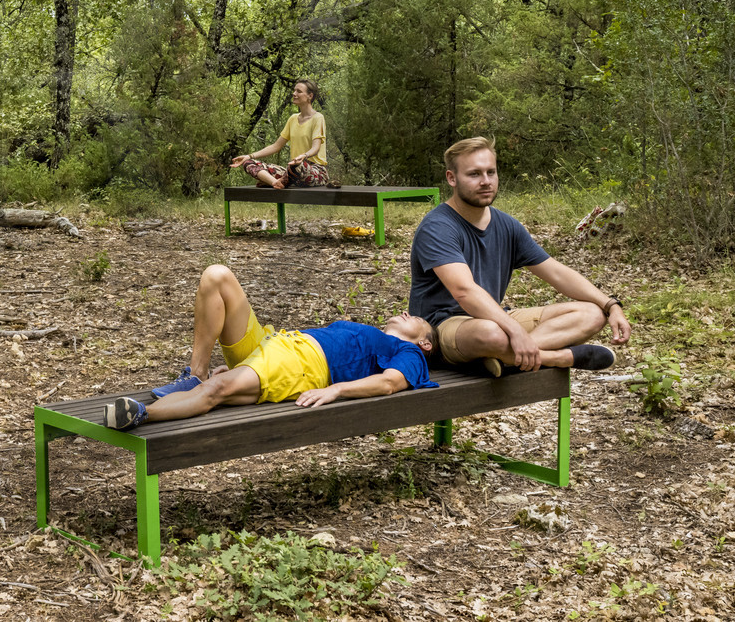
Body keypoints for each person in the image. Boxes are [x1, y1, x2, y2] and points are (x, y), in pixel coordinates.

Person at [104, 264, 437, 430]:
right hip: (275, 342)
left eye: (416, 318)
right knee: (217, 275)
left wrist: (336, 390)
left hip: (302, 365)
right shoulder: (377, 335)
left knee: (218, 390)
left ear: (424, 343)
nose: (407, 312)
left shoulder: (409, 354)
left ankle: (141, 414)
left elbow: (389, 383)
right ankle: (195, 373)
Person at [408, 136, 630, 377]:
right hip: (441, 329)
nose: (485, 181)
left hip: (493, 318)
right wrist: (514, 330)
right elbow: (464, 291)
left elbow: (556, 273)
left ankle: (503, 358)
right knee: (491, 332)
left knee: (592, 314)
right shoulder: (438, 226)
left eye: (491, 172)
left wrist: (610, 305)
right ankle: (556, 357)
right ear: (452, 178)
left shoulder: (507, 225)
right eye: (474, 174)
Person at [230, 78, 330, 190]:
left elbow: (316, 148)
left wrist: (304, 156)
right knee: (249, 163)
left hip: (315, 172)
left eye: (299, 91)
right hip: (292, 171)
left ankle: (279, 180)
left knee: (295, 166)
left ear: (310, 96)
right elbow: (276, 146)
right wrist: (249, 156)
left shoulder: (318, 118)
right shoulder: (293, 119)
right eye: (294, 90)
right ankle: (276, 183)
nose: (294, 93)